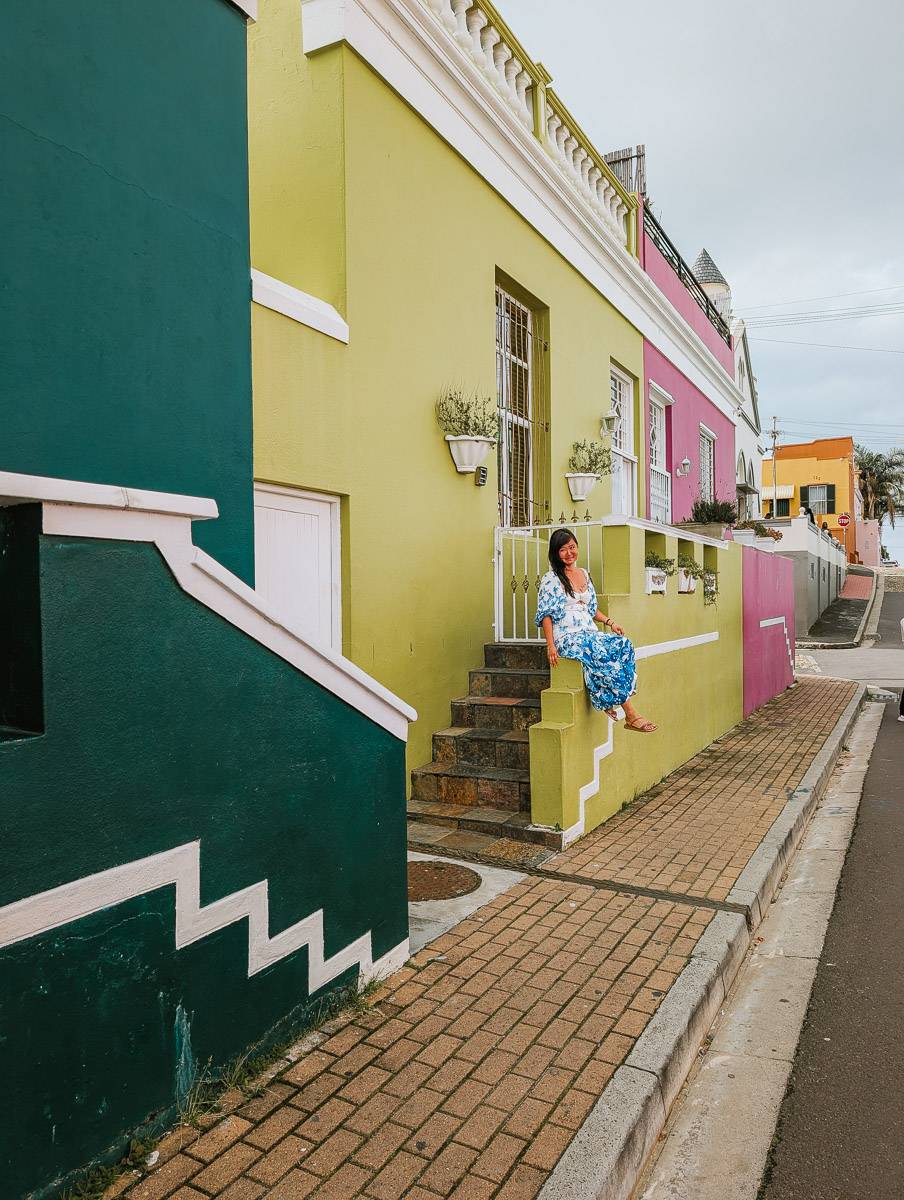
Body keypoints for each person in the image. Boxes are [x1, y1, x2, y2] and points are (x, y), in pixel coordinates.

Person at [535, 528, 657, 732]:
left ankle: (607, 698)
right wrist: (550, 645)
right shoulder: (551, 579)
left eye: (572, 547)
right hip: (568, 636)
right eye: (563, 549)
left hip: (588, 633)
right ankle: (631, 714)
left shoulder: (583, 573)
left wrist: (610, 622)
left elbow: (591, 609)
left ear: (577, 548)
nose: (569, 553)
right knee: (599, 652)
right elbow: (545, 614)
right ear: (555, 553)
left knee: (623, 645)